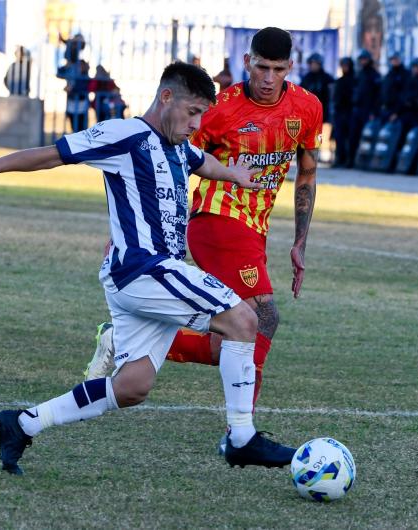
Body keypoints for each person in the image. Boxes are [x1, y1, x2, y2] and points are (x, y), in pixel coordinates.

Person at [0, 62, 297, 475]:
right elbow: (53, 155)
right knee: (244, 319)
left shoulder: (179, 145)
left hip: (140, 278)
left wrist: (233, 175)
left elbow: (201, 162)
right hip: (144, 268)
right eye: (192, 112)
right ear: (166, 97)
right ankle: (241, 438)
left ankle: (22, 424)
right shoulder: (124, 135)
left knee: (132, 387)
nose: (196, 124)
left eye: (202, 114)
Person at [84, 27, 322, 455]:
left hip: (256, 228)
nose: (268, 78)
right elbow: (161, 159)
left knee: (226, 342)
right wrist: (120, 232)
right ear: (247, 62)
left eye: (277, 69)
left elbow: (306, 174)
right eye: (261, 67)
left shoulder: (307, 108)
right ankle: (241, 433)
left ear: (291, 67)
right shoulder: (221, 108)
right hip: (217, 219)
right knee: (263, 317)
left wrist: (300, 241)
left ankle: (120, 341)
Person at [347, 50, 380, 168]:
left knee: (366, 137)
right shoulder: (359, 74)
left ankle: (364, 162)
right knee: (353, 136)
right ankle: (351, 161)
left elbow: (377, 96)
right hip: (356, 109)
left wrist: (373, 112)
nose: (363, 61)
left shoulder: (374, 75)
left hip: (368, 111)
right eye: (361, 59)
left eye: (364, 59)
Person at [57, 34, 91, 132]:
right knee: (74, 127)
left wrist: (72, 88)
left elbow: (83, 82)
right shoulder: (69, 66)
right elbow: (59, 73)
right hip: (72, 100)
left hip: (81, 100)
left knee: (82, 129)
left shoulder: (82, 64)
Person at [332, 57, 356, 168]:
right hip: (340, 112)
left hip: (350, 113)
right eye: (343, 66)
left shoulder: (355, 81)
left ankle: (349, 160)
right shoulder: (339, 81)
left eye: (346, 66)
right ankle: (339, 159)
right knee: (339, 137)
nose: (344, 68)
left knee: (350, 138)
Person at [300, 53, 334, 124]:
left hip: (323, 113)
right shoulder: (306, 78)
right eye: (311, 63)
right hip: (308, 113)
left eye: (314, 63)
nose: (312, 65)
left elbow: (332, 95)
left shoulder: (327, 78)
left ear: (319, 64)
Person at [378, 52, 409, 124]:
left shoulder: (405, 74)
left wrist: (396, 112)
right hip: (386, 110)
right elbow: (383, 92)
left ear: (400, 59)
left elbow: (404, 95)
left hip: (398, 113)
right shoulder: (389, 74)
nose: (394, 61)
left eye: (396, 59)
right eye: (392, 59)